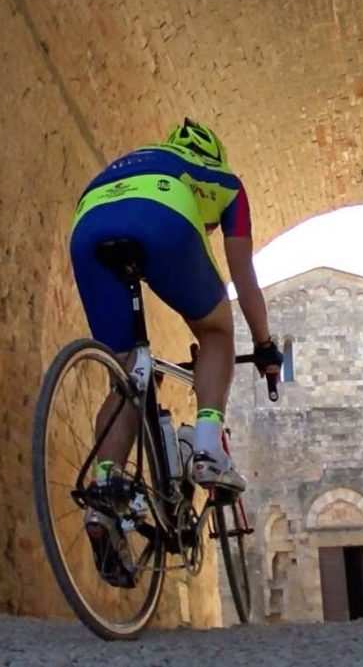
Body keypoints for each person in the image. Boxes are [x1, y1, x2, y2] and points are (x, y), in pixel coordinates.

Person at [68, 118, 282, 586]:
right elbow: (243, 277)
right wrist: (265, 345)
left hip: (87, 222)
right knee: (217, 331)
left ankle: (105, 484)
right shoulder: (225, 182)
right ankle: (207, 444)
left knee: (126, 376)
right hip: (163, 215)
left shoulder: (140, 156)